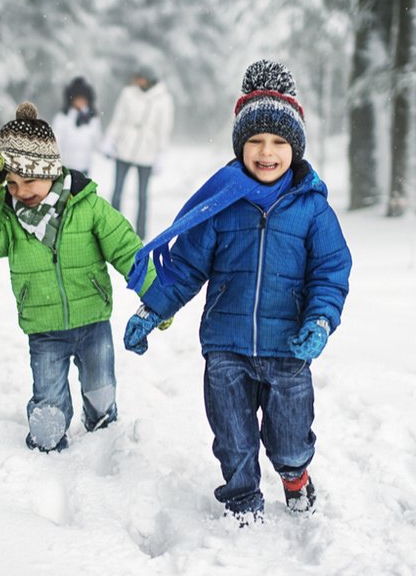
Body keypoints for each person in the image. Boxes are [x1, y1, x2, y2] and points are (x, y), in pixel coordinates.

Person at [121, 60, 352, 522]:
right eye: (256, 142)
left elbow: (330, 272)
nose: (267, 153)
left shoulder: (312, 209)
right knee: (232, 435)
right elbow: (186, 265)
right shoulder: (222, 204)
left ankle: (294, 476)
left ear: (296, 148)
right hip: (226, 347)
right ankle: (243, 498)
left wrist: (320, 320)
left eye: (279, 143)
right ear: (240, 145)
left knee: (289, 437)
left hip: (289, 349)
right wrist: (153, 309)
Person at [0, 101, 155, 453]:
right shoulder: (9, 219)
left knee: (101, 389)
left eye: (29, 181)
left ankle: (103, 433)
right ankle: (48, 437)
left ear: (50, 171)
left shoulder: (88, 206)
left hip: (93, 322)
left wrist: (159, 296)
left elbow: (128, 250)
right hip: (44, 327)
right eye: (11, 184)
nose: (20, 192)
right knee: (48, 401)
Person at [100, 65, 174, 240]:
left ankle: (141, 233)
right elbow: (119, 119)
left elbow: (164, 128)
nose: (135, 81)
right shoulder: (128, 94)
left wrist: (161, 154)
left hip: (147, 152)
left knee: (142, 195)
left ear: (148, 79)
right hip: (124, 148)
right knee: (117, 191)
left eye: (139, 77)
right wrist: (110, 139)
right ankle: (112, 228)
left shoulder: (164, 99)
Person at [51, 76, 103, 176]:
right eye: (77, 98)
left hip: (84, 166)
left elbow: (97, 141)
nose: (80, 102)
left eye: (83, 99)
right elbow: (55, 141)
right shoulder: (63, 118)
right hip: (66, 166)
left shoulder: (92, 119)